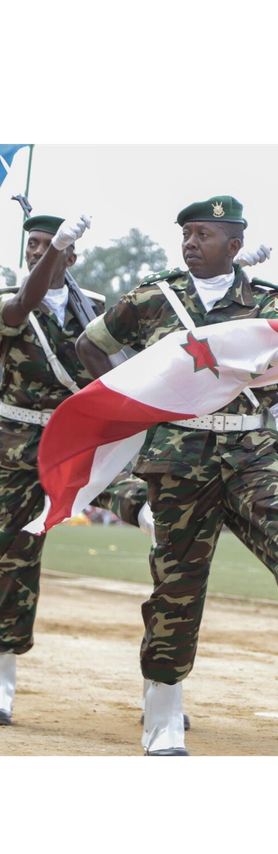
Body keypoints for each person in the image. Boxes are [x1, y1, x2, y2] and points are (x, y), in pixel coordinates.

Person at [76, 196, 278, 758]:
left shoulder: (267, 304)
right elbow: (90, 344)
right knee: (177, 590)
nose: (191, 243)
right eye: (187, 234)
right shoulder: (154, 296)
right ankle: (163, 724)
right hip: (178, 455)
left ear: (234, 244)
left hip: (247, 445)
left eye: (204, 234)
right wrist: (130, 401)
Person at [0, 212, 157, 728]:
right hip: (17, 446)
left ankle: (162, 686)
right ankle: (1, 684)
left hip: (78, 436)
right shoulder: (9, 301)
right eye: (33, 243)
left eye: (50, 244)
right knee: (12, 560)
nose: (37, 251)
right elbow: (21, 308)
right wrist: (52, 253)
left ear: (73, 255)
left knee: (140, 496)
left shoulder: (92, 306)